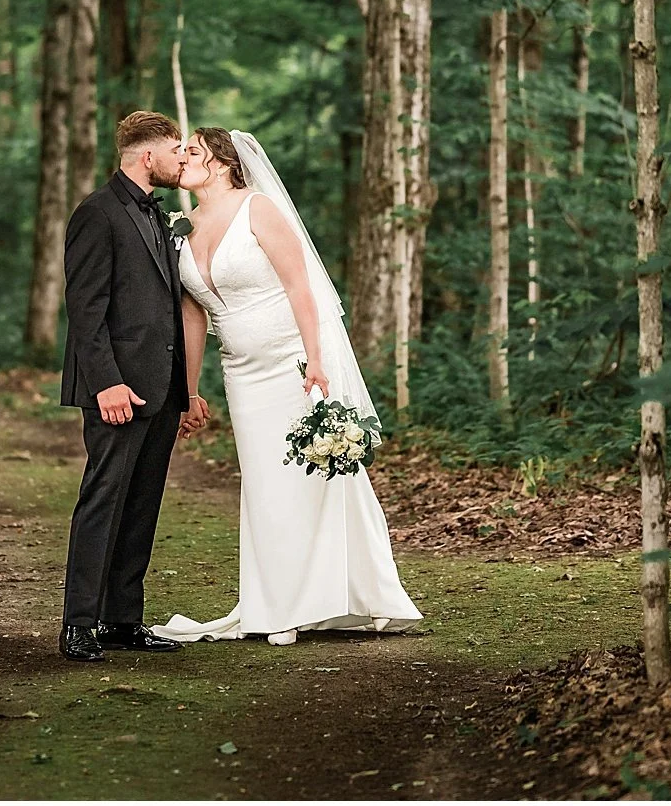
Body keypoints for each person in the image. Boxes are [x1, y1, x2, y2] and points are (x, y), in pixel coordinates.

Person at [152, 128, 422, 646]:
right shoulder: (181, 226)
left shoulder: (258, 209)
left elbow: (302, 285)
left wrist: (315, 361)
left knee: (317, 476)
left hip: (293, 362)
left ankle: (359, 596)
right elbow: (191, 313)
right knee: (264, 486)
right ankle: (275, 603)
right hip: (242, 372)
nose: (181, 158)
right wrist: (188, 390)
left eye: (191, 151)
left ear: (224, 161)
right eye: (180, 151)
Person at [57, 110, 212, 663]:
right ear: (149, 156)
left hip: (161, 388)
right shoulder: (97, 213)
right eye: (176, 150)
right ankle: (78, 623)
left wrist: (186, 391)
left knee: (143, 504)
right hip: (117, 389)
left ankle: (123, 619)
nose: (181, 159)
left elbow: (169, 310)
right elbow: (85, 309)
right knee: (103, 498)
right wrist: (107, 384)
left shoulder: (159, 215)